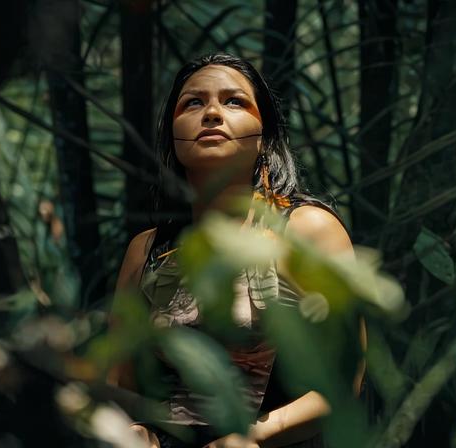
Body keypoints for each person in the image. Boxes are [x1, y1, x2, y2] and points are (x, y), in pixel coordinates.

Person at [112, 53, 362, 448]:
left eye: (234, 101)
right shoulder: (146, 250)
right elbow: (119, 386)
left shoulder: (308, 230)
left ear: (264, 135)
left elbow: (344, 382)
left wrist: (254, 438)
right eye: (192, 102)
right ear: (172, 137)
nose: (211, 112)